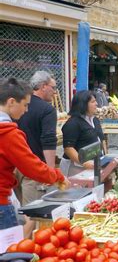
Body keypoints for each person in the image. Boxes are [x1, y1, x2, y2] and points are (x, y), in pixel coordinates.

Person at [0, 78, 69, 230]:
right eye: (25, 105)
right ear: (11, 102)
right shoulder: (8, 133)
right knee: (8, 250)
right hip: (1, 202)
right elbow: (32, 166)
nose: (26, 110)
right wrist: (58, 176)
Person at [16, 71, 58, 205]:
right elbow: (48, 139)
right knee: (33, 214)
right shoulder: (47, 109)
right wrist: (50, 171)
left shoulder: (17, 106)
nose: (55, 92)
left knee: (21, 211)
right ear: (43, 86)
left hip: (14, 165)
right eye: (53, 87)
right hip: (34, 166)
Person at [60, 91, 107, 177]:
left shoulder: (95, 120)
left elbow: (102, 140)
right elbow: (68, 148)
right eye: (93, 102)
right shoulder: (73, 123)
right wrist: (83, 162)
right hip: (77, 168)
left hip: (95, 165)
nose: (96, 104)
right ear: (83, 104)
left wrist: (106, 157)